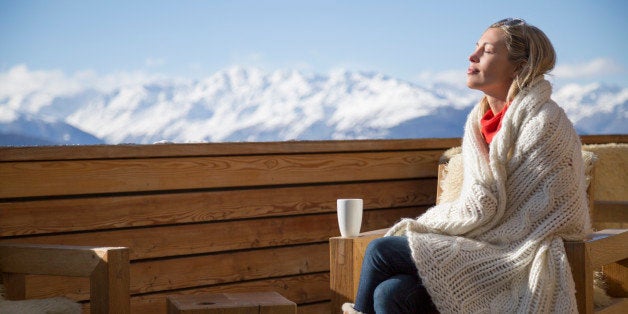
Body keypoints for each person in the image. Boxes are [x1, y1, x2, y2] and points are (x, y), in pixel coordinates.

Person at [342, 18, 592, 313]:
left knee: (381, 250)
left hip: (515, 253)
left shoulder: (546, 122)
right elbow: (482, 205)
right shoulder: (478, 122)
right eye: (475, 48)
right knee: (390, 293)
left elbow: (544, 215)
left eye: (486, 51)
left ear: (519, 67)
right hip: (479, 246)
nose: (471, 57)